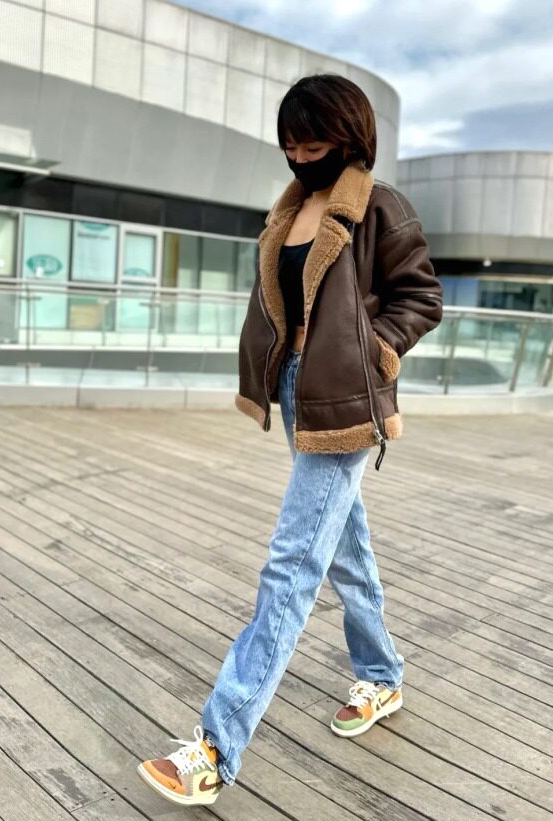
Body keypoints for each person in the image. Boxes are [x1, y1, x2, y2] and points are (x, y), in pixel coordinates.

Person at [137, 73, 443, 806]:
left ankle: (215, 748)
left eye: (313, 144)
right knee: (344, 548)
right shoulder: (291, 208)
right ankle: (382, 676)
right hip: (298, 388)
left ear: (349, 137)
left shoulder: (379, 207)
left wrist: (377, 350)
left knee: (291, 565)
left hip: (346, 397)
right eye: (291, 145)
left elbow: (421, 296)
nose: (300, 157)